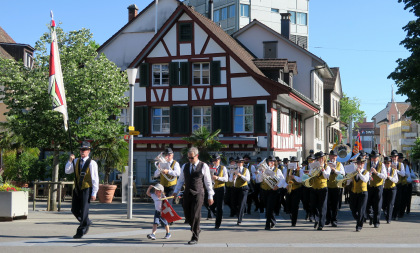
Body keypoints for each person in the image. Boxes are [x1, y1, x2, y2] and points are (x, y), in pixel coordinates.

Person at [173, 147, 214, 245]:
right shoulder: (185, 166)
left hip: (198, 193)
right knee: (188, 215)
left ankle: (194, 237)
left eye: (192, 158)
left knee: (195, 215)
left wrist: (210, 195)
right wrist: (175, 191)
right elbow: (180, 180)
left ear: (197, 156)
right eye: (189, 158)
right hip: (187, 193)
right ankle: (196, 229)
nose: (190, 160)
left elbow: (208, 182)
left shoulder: (203, 166)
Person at [65, 141, 99, 239]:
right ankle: (86, 222)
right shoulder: (76, 161)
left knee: (84, 210)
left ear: (88, 151)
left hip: (87, 188)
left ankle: (81, 230)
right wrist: (70, 161)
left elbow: (95, 178)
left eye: (84, 149)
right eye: (81, 149)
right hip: (77, 188)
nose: (82, 151)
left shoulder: (92, 163)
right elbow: (67, 171)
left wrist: (94, 193)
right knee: (74, 209)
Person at [256, 156, 285, 230]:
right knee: (267, 207)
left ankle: (267, 224)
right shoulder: (264, 170)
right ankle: (273, 221)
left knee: (269, 207)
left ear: (275, 162)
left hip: (273, 191)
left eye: (272, 161)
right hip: (264, 191)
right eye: (270, 161)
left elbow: (282, 180)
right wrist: (261, 174)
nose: (271, 163)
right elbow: (259, 180)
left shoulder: (277, 170)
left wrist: (277, 186)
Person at [365, 150, 386, 228]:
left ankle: (376, 221)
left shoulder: (382, 165)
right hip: (369, 186)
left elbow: (385, 176)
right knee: (367, 204)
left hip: (378, 187)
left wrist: (377, 173)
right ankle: (370, 216)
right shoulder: (367, 165)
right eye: (372, 158)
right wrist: (368, 173)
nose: (374, 159)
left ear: (378, 158)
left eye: (375, 158)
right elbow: (364, 173)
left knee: (377, 205)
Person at [309, 151, 331, 231]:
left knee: (322, 207)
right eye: (318, 159)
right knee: (313, 206)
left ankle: (321, 224)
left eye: (321, 158)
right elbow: (310, 175)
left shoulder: (327, 167)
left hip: (323, 188)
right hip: (314, 188)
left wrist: (322, 169)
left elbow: (327, 176)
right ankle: (316, 219)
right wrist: (315, 169)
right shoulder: (313, 166)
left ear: (324, 159)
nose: (320, 160)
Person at [349, 156, 369, 232]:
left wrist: (360, 173)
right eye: (358, 163)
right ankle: (361, 219)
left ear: (363, 164)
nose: (359, 165)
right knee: (353, 209)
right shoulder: (353, 173)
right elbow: (349, 181)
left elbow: (365, 179)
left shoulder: (366, 172)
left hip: (363, 193)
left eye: (361, 163)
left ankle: (359, 226)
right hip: (354, 193)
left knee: (361, 210)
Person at [326, 149, 345, 227]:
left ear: (336, 157)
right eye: (331, 156)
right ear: (329, 156)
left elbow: (343, 173)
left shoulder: (339, 164)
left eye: (334, 156)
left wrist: (335, 170)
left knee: (335, 205)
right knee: (327, 204)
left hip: (336, 187)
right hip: (327, 186)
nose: (332, 157)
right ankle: (328, 219)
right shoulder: (326, 164)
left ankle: (334, 220)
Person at [209, 154, 228, 229]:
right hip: (212, 188)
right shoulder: (210, 168)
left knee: (220, 207)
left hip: (220, 188)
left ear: (219, 160)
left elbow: (226, 179)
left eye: (216, 160)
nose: (214, 162)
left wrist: (218, 178)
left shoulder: (223, 168)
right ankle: (218, 214)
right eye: (213, 160)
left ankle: (217, 223)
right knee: (211, 205)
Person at [230, 156, 250, 225]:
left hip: (244, 188)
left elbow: (248, 179)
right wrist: (233, 177)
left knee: (241, 204)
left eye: (240, 162)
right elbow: (229, 180)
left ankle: (239, 219)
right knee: (234, 204)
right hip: (235, 188)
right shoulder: (234, 170)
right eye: (238, 162)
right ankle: (238, 214)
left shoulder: (246, 170)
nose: (239, 163)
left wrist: (240, 175)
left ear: (242, 162)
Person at [285, 156, 303, 227]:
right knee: (288, 205)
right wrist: (285, 185)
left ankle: (294, 221)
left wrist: (294, 177)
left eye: (295, 162)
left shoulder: (300, 170)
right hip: (289, 189)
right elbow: (284, 178)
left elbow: (301, 179)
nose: (293, 163)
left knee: (295, 206)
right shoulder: (287, 170)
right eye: (292, 162)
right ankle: (291, 214)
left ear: (297, 163)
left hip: (297, 190)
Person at [382, 156, 399, 224]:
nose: (387, 164)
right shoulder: (383, 170)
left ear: (390, 163)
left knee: (390, 204)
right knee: (384, 204)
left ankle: (389, 218)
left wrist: (390, 177)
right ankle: (386, 213)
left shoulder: (393, 170)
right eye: (385, 163)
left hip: (392, 189)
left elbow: (396, 180)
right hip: (385, 188)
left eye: (388, 163)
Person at [391, 150, 407, 220]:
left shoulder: (401, 165)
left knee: (398, 200)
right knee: (390, 201)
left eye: (395, 156)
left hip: (398, 185)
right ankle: (389, 213)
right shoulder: (388, 163)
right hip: (390, 185)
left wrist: (396, 170)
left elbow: (403, 174)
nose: (394, 158)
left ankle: (395, 214)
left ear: (397, 157)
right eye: (393, 156)